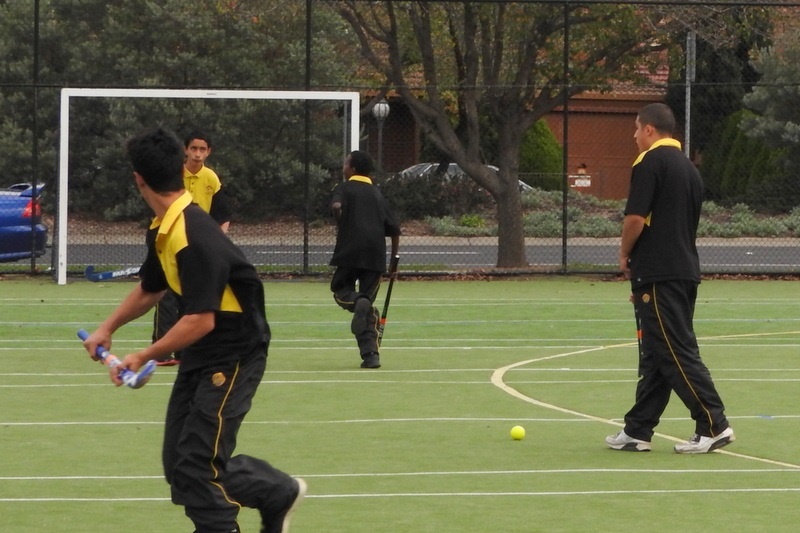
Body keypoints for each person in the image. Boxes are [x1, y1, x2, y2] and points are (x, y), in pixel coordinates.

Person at [81, 127, 305, 533]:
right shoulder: (163, 225)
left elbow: (202, 318)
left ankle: (258, 501)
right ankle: (274, 491)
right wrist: (107, 328)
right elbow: (153, 286)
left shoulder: (194, 234)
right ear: (180, 168)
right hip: (204, 349)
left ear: (138, 179)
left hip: (236, 350)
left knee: (199, 468)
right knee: (180, 468)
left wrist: (142, 355)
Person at [605, 103, 735, 454]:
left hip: (659, 273)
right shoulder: (690, 169)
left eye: (636, 129)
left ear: (649, 130)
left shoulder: (650, 162)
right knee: (656, 351)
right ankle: (638, 429)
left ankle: (714, 424)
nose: (634, 136)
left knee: (675, 350)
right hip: (683, 270)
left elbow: (635, 218)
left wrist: (624, 254)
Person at [153, 129, 232, 366]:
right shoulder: (173, 174)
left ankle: (185, 352)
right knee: (166, 295)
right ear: (186, 150)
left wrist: (216, 241)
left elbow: (223, 214)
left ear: (209, 152)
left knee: (192, 296)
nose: (197, 154)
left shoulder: (212, 179)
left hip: (198, 245)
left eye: (202, 149)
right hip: (170, 240)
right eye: (193, 149)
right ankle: (162, 351)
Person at [329, 150, 401, 369]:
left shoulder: (342, 188)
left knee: (342, 291)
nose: (343, 166)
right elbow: (395, 229)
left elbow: (336, 206)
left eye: (345, 163)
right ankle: (370, 355)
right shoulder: (377, 194)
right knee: (367, 305)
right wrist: (393, 261)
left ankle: (357, 301)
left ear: (351, 168)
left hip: (349, 252)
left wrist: (339, 218)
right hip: (375, 255)